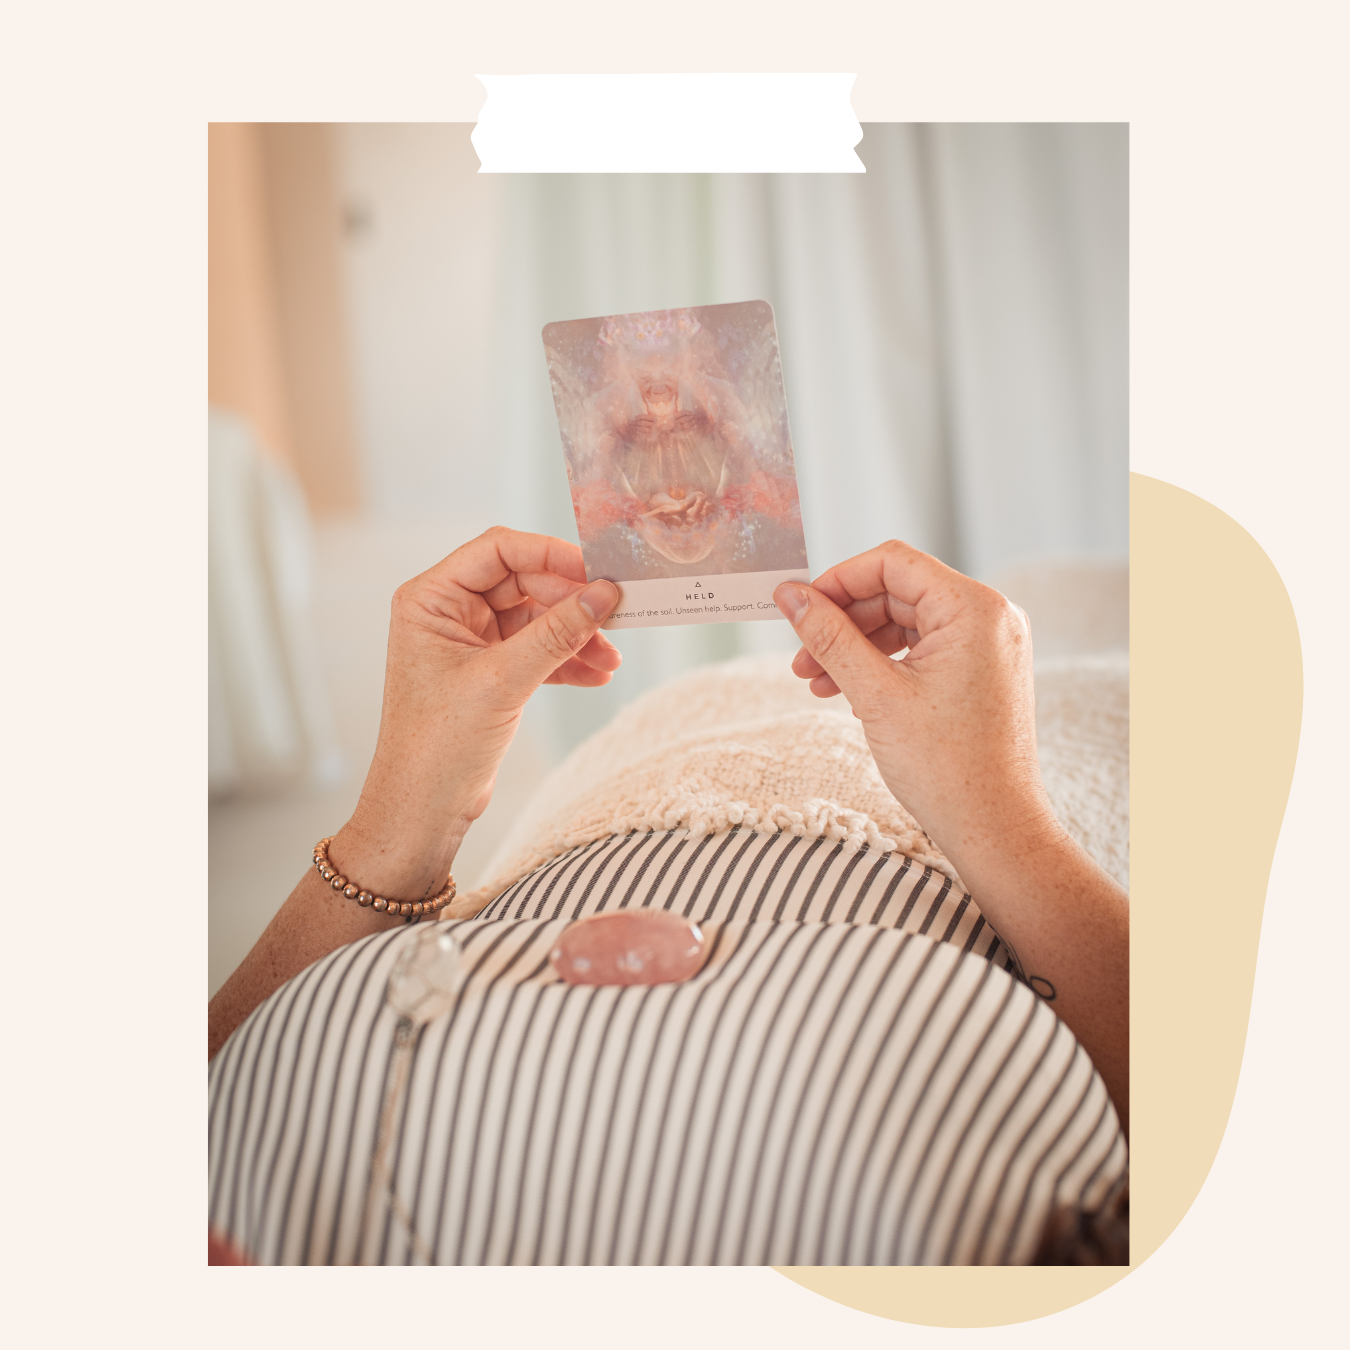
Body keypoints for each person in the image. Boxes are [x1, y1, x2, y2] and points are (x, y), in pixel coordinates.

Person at [207, 527, 1128, 1266]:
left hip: (636, 768)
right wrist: (999, 814)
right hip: (966, 832)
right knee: (1101, 618)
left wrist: (399, 824)